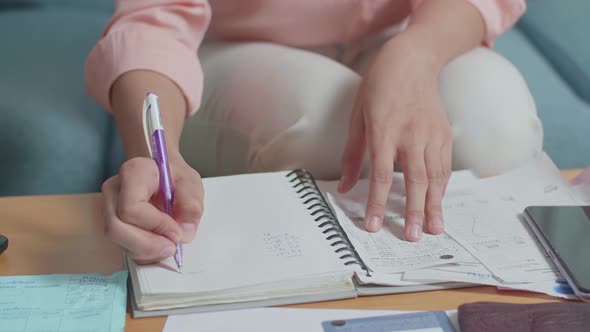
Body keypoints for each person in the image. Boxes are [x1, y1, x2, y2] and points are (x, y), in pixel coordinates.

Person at [85, 0, 543, 265]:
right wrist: (152, 153)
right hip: (231, 43)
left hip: (403, 29)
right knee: (326, 131)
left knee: (498, 125)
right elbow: (154, 20)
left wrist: (416, 54)